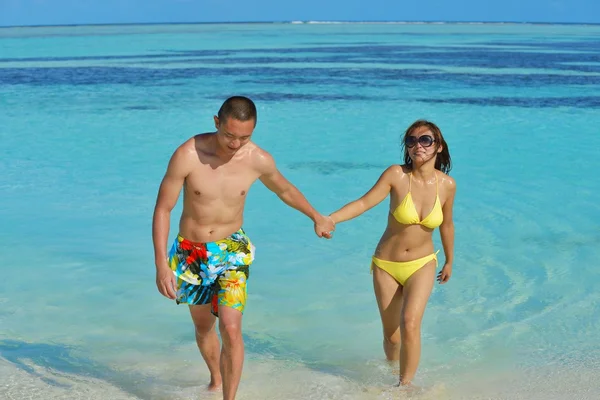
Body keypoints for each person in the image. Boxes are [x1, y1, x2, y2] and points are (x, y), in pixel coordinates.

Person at [152, 96, 334, 400]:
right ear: (216, 122)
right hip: (191, 253)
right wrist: (161, 264)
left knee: (231, 327)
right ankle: (216, 378)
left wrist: (316, 216)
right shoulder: (188, 154)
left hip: (232, 251)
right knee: (203, 328)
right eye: (229, 135)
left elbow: (284, 189)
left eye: (245, 137)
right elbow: (163, 209)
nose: (235, 144)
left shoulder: (257, 159)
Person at [329, 120, 455, 388]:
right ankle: (390, 369)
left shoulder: (447, 185)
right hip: (387, 265)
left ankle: (404, 387)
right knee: (392, 337)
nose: (417, 145)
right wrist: (332, 219)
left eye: (425, 140)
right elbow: (364, 202)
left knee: (410, 323)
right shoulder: (396, 175)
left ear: (438, 147)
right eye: (411, 141)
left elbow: (447, 223)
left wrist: (449, 260)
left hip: (423, 263)